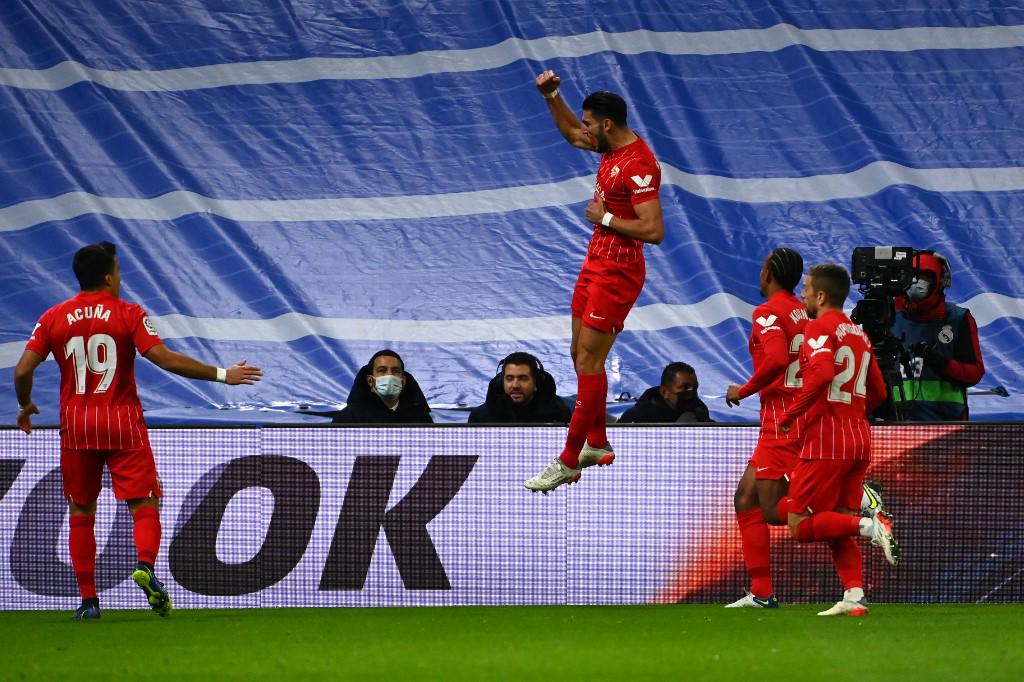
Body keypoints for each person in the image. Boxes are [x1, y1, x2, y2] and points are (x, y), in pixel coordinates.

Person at [13, 241, 262, 620]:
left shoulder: (53, 317)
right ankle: (145, 565)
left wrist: (25, 405)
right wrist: (223, 375)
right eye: (120, 271)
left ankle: (89, 602)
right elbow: (162, 358)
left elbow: (21, 371)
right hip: (121, 424)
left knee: (81, 508)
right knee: (144, 503)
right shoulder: (127, 313)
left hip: (77, 427)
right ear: (110, 277)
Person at [524, 70, 665, 493]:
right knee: (579, 354)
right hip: (596, 261)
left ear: (606, 124)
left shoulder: (639, 165)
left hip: (620, 269)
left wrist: (603, 217)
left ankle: (569, 458)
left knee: (589, 361)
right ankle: (598, 441)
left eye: (589, 123)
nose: (583, 130)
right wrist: (552, 96)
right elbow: (569, 133)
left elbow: (654, 230)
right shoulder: (608, 147)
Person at [776, 264, 900, 617]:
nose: (802, 294)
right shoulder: (859, 335)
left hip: (825, 441)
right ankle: (854, 596)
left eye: (807, 288)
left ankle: (871, 524)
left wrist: (790, 415)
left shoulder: (818, 327)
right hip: (859, 438)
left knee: (798, 525)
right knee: (836, 522)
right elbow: (878, 391)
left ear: (821, 295)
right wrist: (851, 410)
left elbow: (823, 374)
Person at [722, 248, 808, 608]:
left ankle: (853, 506)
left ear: (769, 272)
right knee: (746, 498)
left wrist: (742, 390)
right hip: (799, 413)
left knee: (773, 510)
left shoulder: (768, 312)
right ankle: (761, 592)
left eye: (761, 268)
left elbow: (775, 359)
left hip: (782, 419)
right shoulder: (804, 311)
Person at [891, 251, 984, 420]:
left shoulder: (958, 318)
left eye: (925, 277)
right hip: (894, 424)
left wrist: (940, 363)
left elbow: (974, 373)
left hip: (945, 425)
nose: (916, 282)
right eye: (912, 276)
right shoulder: (889, 317)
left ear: (941, 281)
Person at [330, 349, 432, 424]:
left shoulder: (421, 419)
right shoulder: (347, 419)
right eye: (382, 370)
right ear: (370, 381)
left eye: (396, 371)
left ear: (403, 381)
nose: (390, 375)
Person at [468, 352, 571, 424]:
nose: (515, 385)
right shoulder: (480, 417)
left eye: (523, 378)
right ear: (501, 382)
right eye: (509, 378)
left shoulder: (559, 414)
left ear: (536, 383)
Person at [618, 362, 712, 423]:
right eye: (684, 387)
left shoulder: (698, 410)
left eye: (695, 387)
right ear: (664, 392)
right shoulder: (637, 418)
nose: (691, 391)